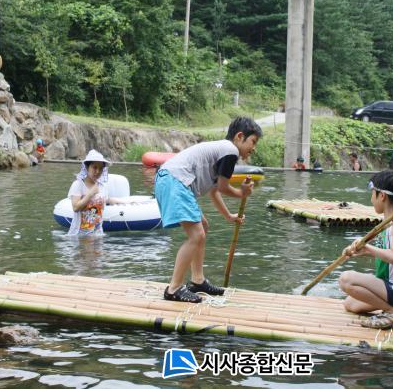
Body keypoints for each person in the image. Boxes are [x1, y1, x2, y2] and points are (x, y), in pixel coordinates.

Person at [155, 117, 261, 303]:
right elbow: (223, 187)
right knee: (196, 235)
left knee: (202, 227)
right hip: (175, 181)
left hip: (172, 180)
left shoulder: (222, 152)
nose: (254, 148)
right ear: (239, 136)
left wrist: (228, 216)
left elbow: (214, 191)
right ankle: (174, 289)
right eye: (253, 141)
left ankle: (197, 281)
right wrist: (242, 193)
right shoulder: (230, 151)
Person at [339, 170, 393, 329]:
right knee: (350, 304)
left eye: (372, 194)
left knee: (345, 279)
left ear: (382, 196)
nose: (371, 199)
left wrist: (368, 248)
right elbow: (382, 253)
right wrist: (362, 251)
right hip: (391, 288)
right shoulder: (387, 223)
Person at [67, 150, 132, 236]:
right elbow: (75, 208)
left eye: (101, 169)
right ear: (87, 167)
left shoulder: (102, 186)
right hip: (80, 235)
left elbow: (106, 200)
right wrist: (90, 194)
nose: (97, 171)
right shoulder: (78, 184)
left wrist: (127, 202)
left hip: (98, 234)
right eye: (94, 167)